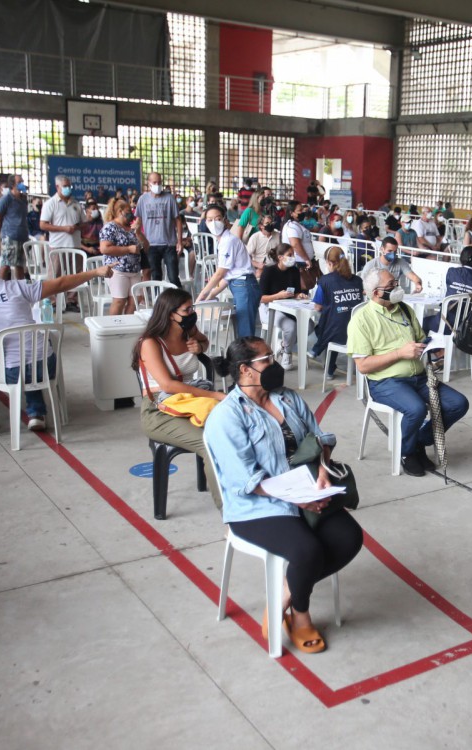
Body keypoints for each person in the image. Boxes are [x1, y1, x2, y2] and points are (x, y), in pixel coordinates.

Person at [204, 337, 363, 654]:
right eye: (267, 359)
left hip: (307, 491)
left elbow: (320, 438)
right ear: (245, 370)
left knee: (350, 538)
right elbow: (247, 480)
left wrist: (322, 469)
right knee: (307, 551)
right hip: (258, 505)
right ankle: (301, 616)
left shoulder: (287, 398)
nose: (275, 363)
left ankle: (285, 594)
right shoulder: (227, 416)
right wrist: (297, 498)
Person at [0, 247, 113, 433]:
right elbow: (61, 283)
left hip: (5, 372)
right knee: (32, 349)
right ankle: (36, 413)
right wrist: (95, 272)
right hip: (44, 366)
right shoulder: (18, 287)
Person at [347, 270, 470, 477]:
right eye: (391, 285)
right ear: (376, 292)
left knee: (458, 403)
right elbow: (363, 366)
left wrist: (433, 347)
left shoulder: (405, 310)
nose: (397, 287)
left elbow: (420, 339)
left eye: (396, 282)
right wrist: (399, 353)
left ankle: (420, 439)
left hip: (419, 377)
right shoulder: (361, 320)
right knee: (416, 409)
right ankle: (407, 452)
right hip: (385, 382)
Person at [132, 288, 225, 509]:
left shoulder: (188, 330)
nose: (192, 313)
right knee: (209, 444)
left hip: (190, 402)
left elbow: (204, 341)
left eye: (192, 308)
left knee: (232, 432)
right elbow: (167, 385)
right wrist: (215, 395)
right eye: (187, 310)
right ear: (170, 313)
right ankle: (230, 512)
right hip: (159, 410)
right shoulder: (150, 343)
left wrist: (200, 346)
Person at [196, 204, 260, 338]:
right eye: (209, 220)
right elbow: (227, 276)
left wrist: (203, 293)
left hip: (244, 286)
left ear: (225, 220)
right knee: (241, 330)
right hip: (240, 285)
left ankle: (248, 352)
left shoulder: (228, 241)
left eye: (218, 219)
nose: (214, 223)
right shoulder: (224, 241)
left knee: (246, 333)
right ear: (205, 223)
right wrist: (211, 295)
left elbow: (220, 273)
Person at [309, 245, 364, 378]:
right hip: (357, 330)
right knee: (337, 319)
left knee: (324, 325)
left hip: (335, 332)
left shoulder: (325, 281)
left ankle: (320, 352)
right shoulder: (357, 280)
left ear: (329, 263)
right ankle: (326, 363)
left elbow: (318, 307)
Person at [259, 245, 309, 371]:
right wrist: (278, 296)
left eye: (293, 254)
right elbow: (261, 298)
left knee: (309, 325)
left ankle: (284, 345)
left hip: (289, 306)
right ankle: (287, 353)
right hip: (270, 308)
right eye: (290, 255)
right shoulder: (269, 271)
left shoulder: (294, 271)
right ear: (280, 257)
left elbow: (295, 292)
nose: (293, 258)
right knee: (291, 327)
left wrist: (299, 295)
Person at [425, 247, 472, 333]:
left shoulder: (451, 272)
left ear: (461, 259)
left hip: (444, 324)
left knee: (423, 323)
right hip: (467, 329)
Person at [135, 172, 183, 289]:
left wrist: (179, 241)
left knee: (173, 277)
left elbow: (178, 220)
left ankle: (180, 298)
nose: (157, 185)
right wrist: (138, 239)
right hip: (150, 245)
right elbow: (138, 221)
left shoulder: (169, 198)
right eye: (154, 182)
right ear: (149, 183)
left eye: (159, 182)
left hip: (169, 244)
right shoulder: (143, 199)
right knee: (156, 277)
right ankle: (157, 298)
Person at [99, 198, 144, 315]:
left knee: (135, 300)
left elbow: (146, 247)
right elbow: (104, 248)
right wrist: (128, 249)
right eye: (128, 212)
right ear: (120, 211)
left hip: (134, 270)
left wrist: (138, 232)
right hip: (118, 269)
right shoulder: (110, 227)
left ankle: (127, 323)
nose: (131, 214)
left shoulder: (131, 228)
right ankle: (114, 324)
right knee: (119, 301)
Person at [0, 176, 29, 280]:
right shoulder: (6, 199)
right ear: (12, 184)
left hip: (22, 236)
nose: (22, 183)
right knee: (6, 264)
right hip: (10, 236)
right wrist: (3, 230)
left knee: (20, 265)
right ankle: (0, 286)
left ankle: (20, 286)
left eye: (22, 181)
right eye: (19, 182)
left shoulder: (23, 199)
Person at [359, 236, 423, 292]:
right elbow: (361, 286)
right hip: (376, 296)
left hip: (393, 296)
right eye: (389, 251)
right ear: (382, 249)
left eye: (395, 251)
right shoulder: (371, 265)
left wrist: (418, 284)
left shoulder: (400, 262)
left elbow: (414, 277)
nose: (393, 254)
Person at [246, 213, 280, 279]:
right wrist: (257, 264)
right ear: (261, 226)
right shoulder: (255, 237)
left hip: (275, 266)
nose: (270, 225)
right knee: (259, 275)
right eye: (267, 223)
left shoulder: (278, 235)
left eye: (271, 222)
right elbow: (245, 256)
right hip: (260, 267)